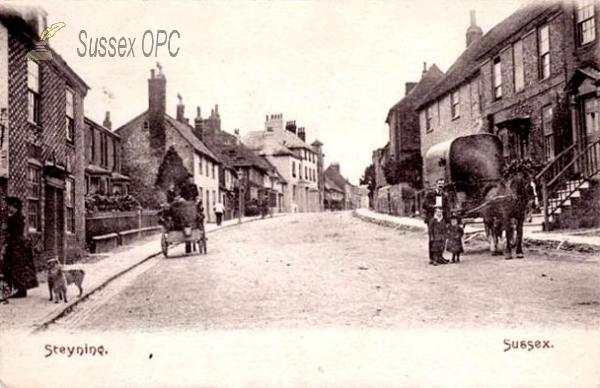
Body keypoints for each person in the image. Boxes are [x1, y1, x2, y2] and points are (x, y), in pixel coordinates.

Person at [1, 197, 38, 298]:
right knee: (11, 267)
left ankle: (19, 290)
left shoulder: (16, 218)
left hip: (16, 245)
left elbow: (11, 231)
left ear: (14, 206)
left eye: (9, 205)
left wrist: (6, 225)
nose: (7, 207)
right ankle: (16, 290)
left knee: (16, 267)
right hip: (16, 244)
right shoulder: (16, 216)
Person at [422, 178, 450, 264]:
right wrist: (433, 206)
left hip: (441, 219)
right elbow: (424, 205)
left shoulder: (445, 196)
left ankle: (440, 257)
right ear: (436, 184)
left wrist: (447, 219)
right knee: (433, 238)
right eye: (439, 184)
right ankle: (432, 258)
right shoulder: (430, 194)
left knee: (442, 238)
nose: (441, 186)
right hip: (432, 219)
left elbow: (447, 208)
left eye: (442, 184)